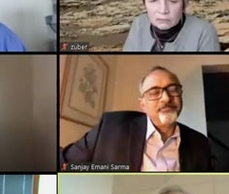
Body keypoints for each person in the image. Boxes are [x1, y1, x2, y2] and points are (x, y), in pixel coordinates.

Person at [60, 66, 214, 171]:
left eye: (173, 90)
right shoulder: (110, 127)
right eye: (154, 92)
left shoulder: (200, 142)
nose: (166, 98)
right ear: (143, 104)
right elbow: (64, 163)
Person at [123, 0, 221, 52]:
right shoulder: (138, 24)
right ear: (144, 4)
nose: (163, 10)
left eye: (172, 1)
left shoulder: (204, 32)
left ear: (184, 4)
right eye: (154, 0)